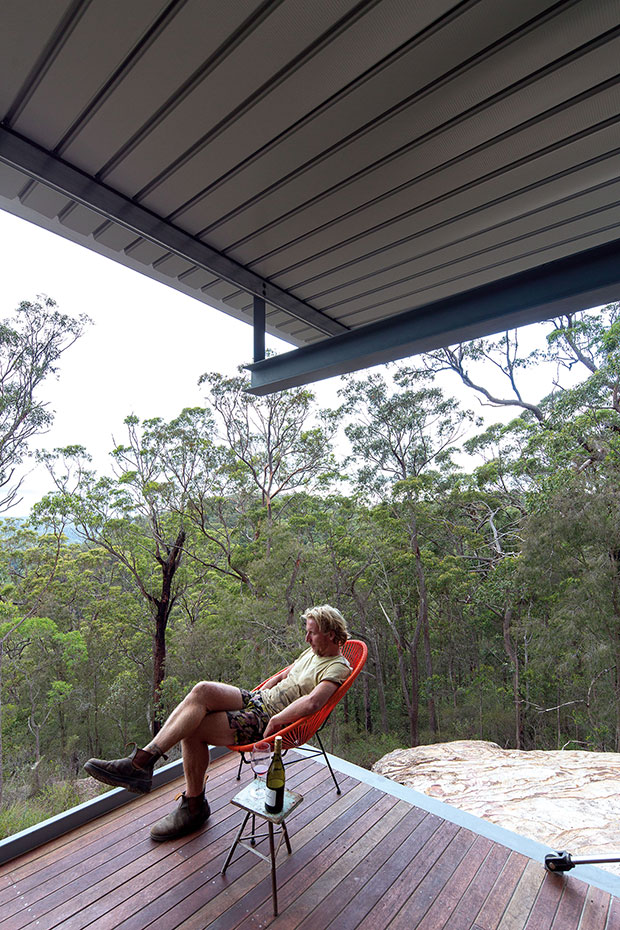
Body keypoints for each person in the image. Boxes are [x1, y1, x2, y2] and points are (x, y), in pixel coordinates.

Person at [85, 605, 351, 841]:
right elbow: (287, 673)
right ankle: (144, 760)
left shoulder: (337, 667)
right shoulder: (312, 652)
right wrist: (267, 687)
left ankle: (192, 805)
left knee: (194, 730)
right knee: (202, 690)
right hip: (258, 700)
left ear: (330, 634)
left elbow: (314, 703)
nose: (307, 638)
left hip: (266, 720)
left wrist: (278, 718)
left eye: (312, 633)